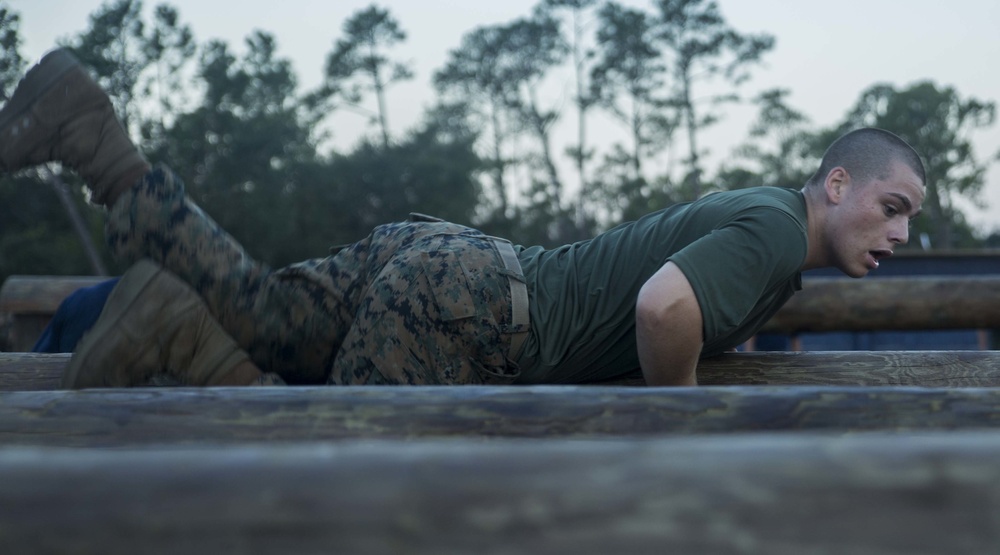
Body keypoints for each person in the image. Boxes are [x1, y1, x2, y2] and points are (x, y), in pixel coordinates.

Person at [0, 49, 925, 388]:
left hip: (447, 262)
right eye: (894, 208)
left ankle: (101, 146)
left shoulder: (758, 225)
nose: (901, 235)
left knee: (269, 316)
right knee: (334, 474)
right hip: (480, 308)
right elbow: (662, 309)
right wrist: (676, 420)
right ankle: (179, 336)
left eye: (911, 223)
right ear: (835, 184)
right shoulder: (773, 229)